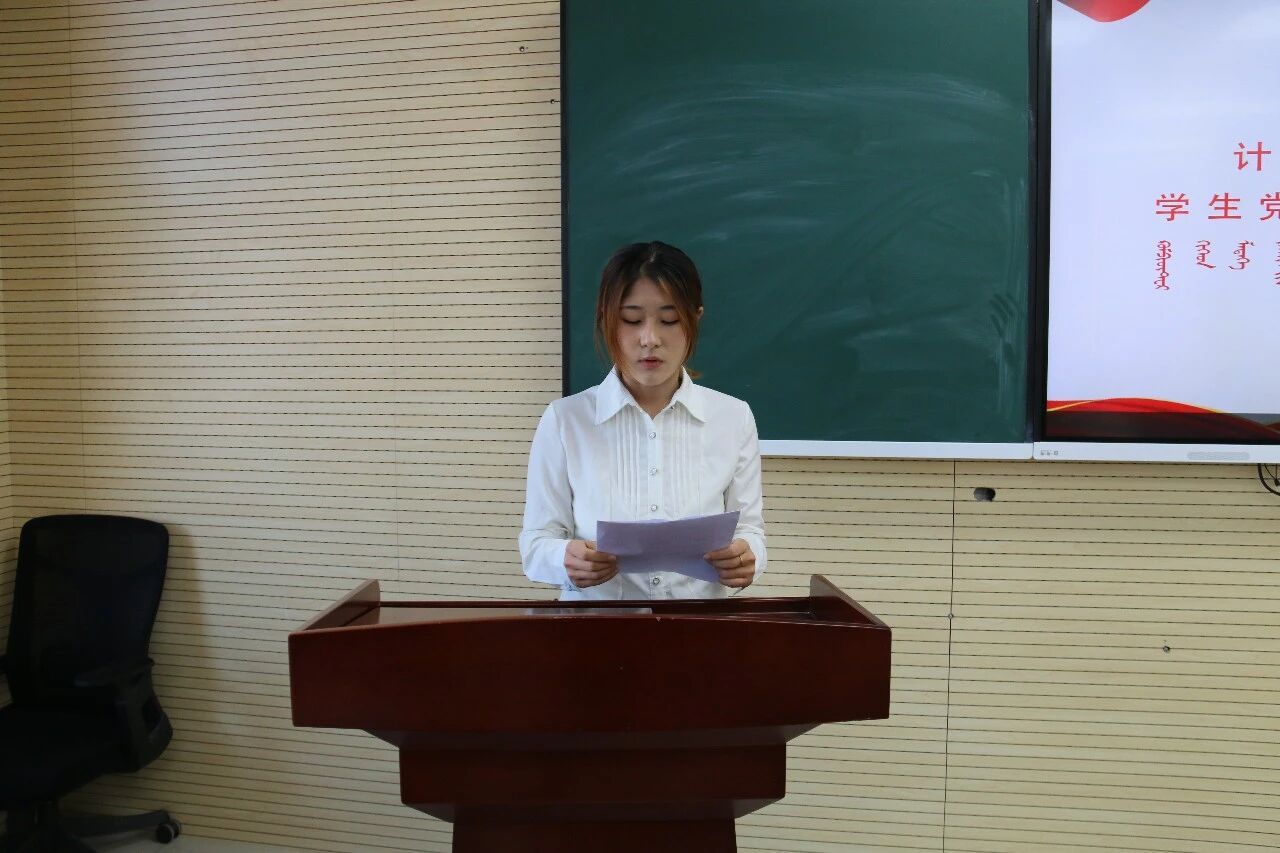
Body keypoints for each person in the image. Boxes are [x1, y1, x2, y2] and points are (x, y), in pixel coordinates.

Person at [520, 241, 766, 600]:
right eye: (631, 320)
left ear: (695, 317)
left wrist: (747, 557)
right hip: (596, 626)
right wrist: (564, 559)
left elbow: (750, 531)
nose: (649, 339)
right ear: (606, 318)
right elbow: (536, 543)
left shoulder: (733, 417)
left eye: (669, 319)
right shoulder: (565, 420)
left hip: (700, 626)